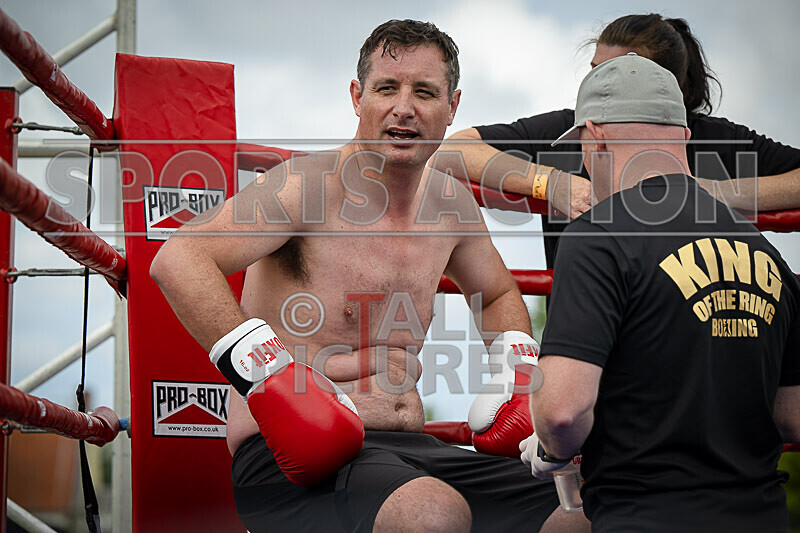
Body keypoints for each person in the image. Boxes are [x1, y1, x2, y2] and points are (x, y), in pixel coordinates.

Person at [150, 19, 588, 533]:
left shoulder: (450, 205)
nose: (404, 108)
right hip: (291, 459)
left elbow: (494, 293)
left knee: (580, 511)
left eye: (424, 92)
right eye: (387, 88)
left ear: (453, 107)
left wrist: (515, 367)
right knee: (431, 513)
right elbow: (180, 259)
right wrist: (270, 378)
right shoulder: (303, 188)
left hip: (411, 451)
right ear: (358, 97)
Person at [518, 53, 800, 532]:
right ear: (684, 137)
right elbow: (792, 417)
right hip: (761, 517)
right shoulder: (767, 254)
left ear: (595, 136)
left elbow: (564, 412)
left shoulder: (598, 236)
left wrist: (549, 447)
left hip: (644, 517)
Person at [436, 13, 800, 273]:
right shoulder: (569, 129)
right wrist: (550, 183)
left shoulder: (720, 139)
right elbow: (452, 150)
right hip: (590, 334)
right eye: (594, 72)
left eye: (616, 73)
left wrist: (716, 194)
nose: (598, 86)